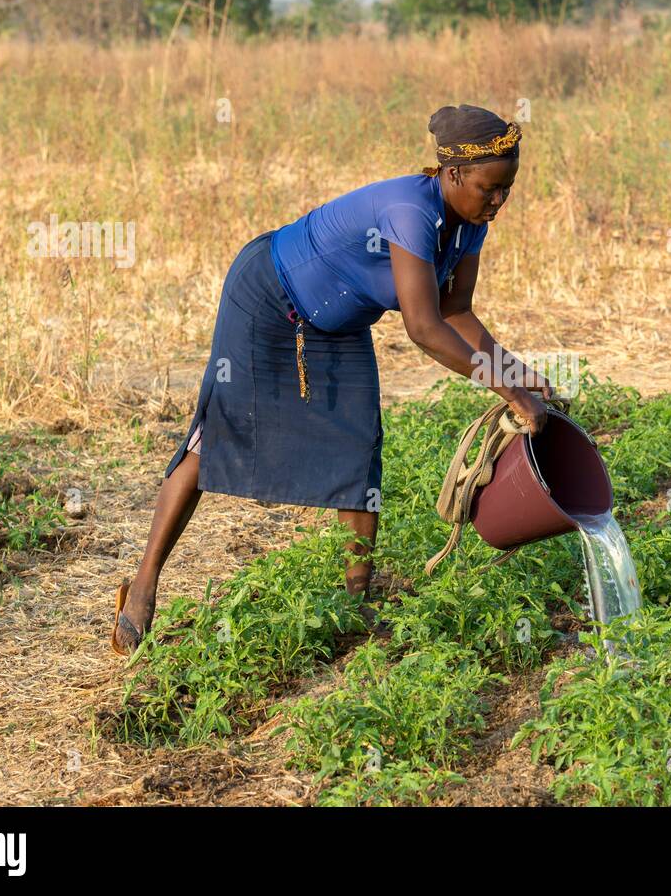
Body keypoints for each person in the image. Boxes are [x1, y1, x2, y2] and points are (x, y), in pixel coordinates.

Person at [112, 104, 553, 655]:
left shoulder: (470, 227)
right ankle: (144, 588)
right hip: (269, 298)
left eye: (507, 190)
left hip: (338, 323)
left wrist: (518, 373)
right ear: (453, 174)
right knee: (219, 435)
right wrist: (508, 391)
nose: (498, 201)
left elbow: (457, 310)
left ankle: (355, 604)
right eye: (490, 188)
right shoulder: (409, 211)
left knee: (358, 446)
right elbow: (423, 326)